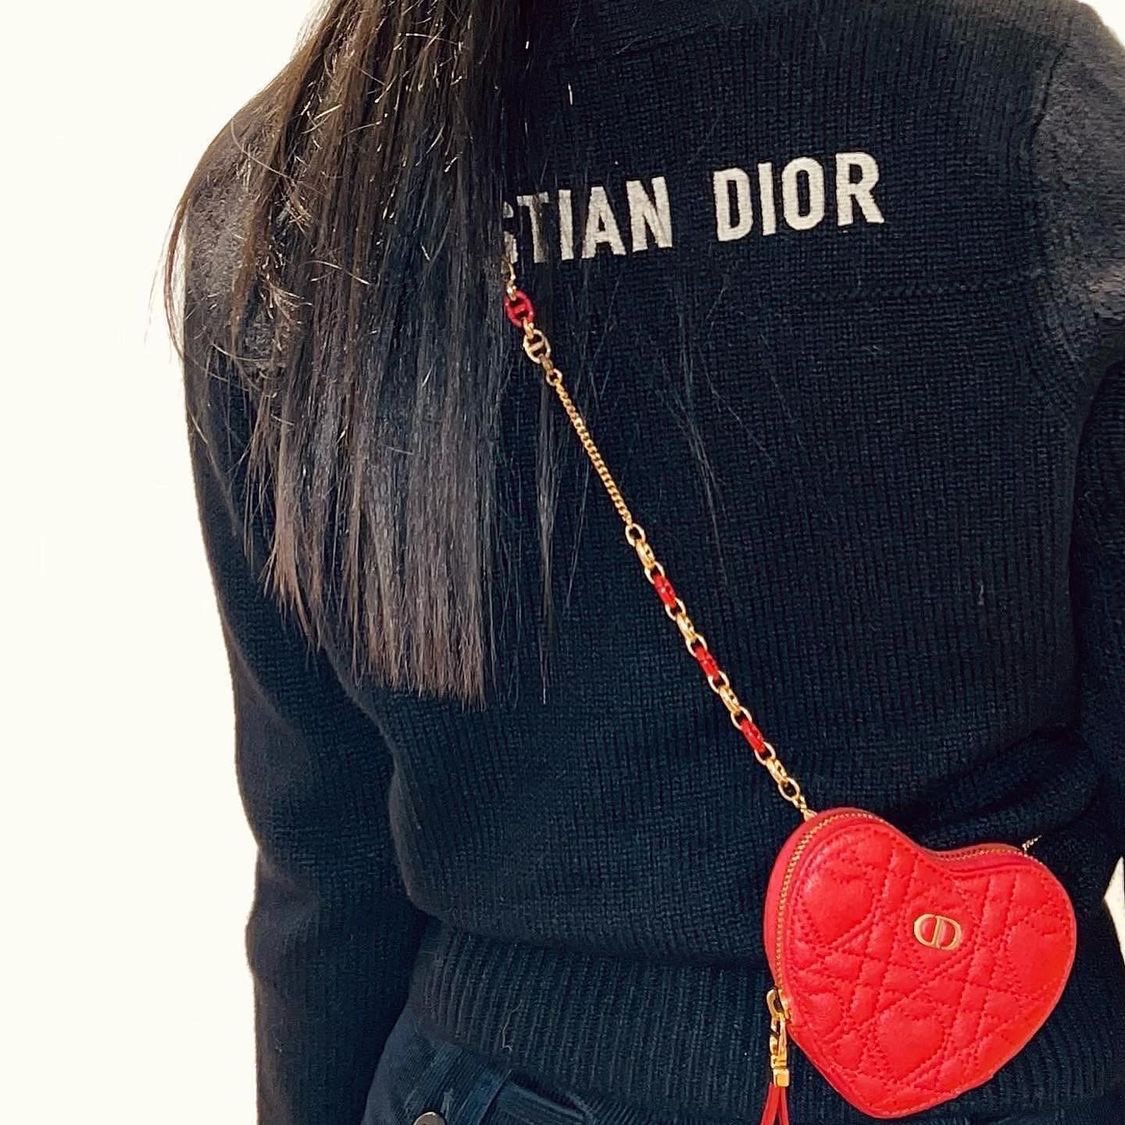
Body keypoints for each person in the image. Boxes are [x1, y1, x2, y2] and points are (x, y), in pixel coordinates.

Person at [164, 1, 1125, 1123]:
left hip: (489, 1083)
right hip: (1000, 1064)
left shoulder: (291, 190)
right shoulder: (1022, 87)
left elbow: (326, 859)